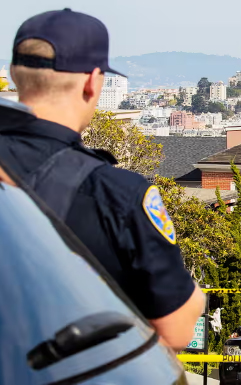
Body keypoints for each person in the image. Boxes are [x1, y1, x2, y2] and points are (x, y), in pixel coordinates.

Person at [0, 9, 204, 350]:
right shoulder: (117, 195)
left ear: (13, 74)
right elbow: (177, 331)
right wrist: (195, 297)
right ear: (93, 81)